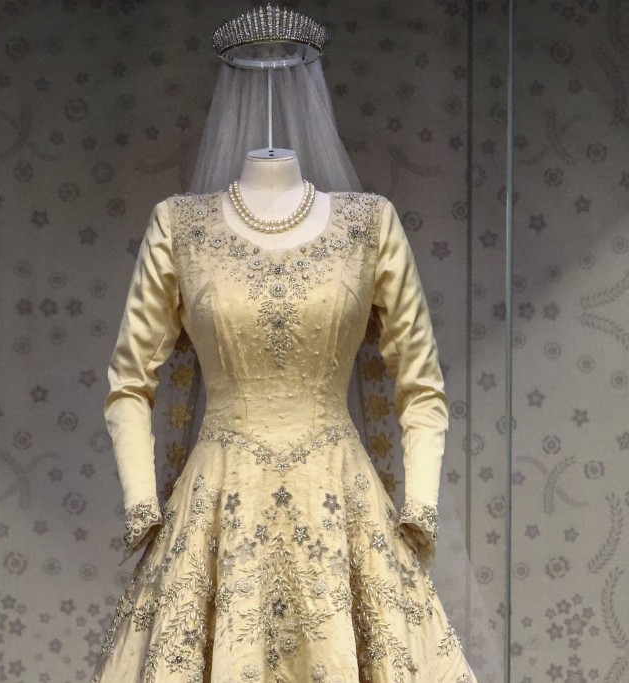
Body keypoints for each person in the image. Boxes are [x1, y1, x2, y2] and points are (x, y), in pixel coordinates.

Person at [92, 151, 479, 681]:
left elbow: (422, 384)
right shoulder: (180, 226)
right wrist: (142, 504)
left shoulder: (369, 224)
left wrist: (421, 507)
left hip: (338, 498)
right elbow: (129, 382)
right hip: (219, 500)